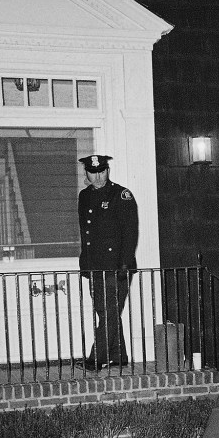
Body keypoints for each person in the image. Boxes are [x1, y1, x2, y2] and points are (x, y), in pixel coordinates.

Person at [76, 154, 138, 369]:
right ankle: (118, 355)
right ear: (87, 173)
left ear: (107, 171)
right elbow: (86, 234)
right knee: (104, 311)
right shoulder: (84, 196)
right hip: (95, 265)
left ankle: (97, 357)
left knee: (109, 312)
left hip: (116, 265)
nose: (99, 176)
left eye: (102, 171)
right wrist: (85, 263)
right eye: (93, 172)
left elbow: (130, 233)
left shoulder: (120, 195)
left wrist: (124, 264)